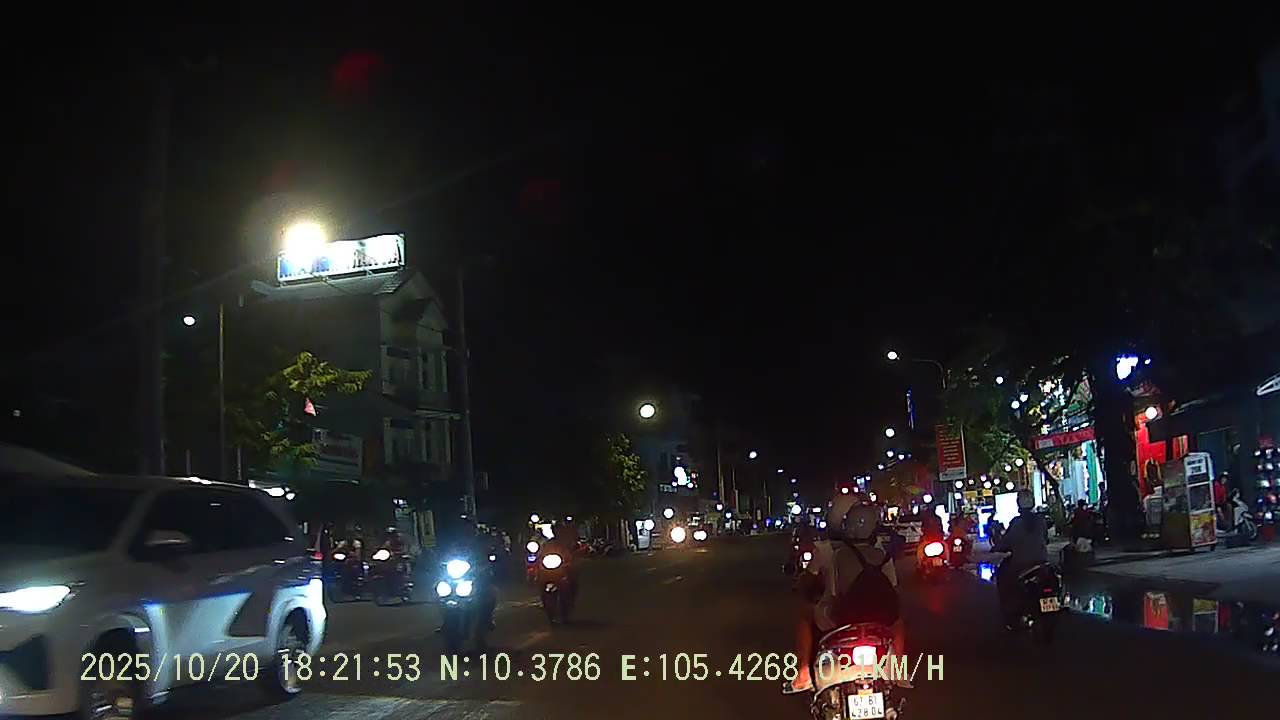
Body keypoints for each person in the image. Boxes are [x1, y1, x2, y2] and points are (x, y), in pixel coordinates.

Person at [785, 497, 905, 694]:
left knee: (806, 615)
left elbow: (832, 591)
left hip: (842, 615)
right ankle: (899, 671)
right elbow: (893, 589)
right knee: (898, 621)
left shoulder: (832, 552)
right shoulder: (881, 552)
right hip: (879, 618)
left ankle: (803, 673)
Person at [993, 490, 1049, 630]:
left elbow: (1006, 542)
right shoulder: (1041, 521)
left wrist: (998, 547)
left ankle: (1011, 617)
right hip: (1042, 562)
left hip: (1021, 565)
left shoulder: (1016, 523)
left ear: (1019, 504)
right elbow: (1045, 538)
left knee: (1004, 578)